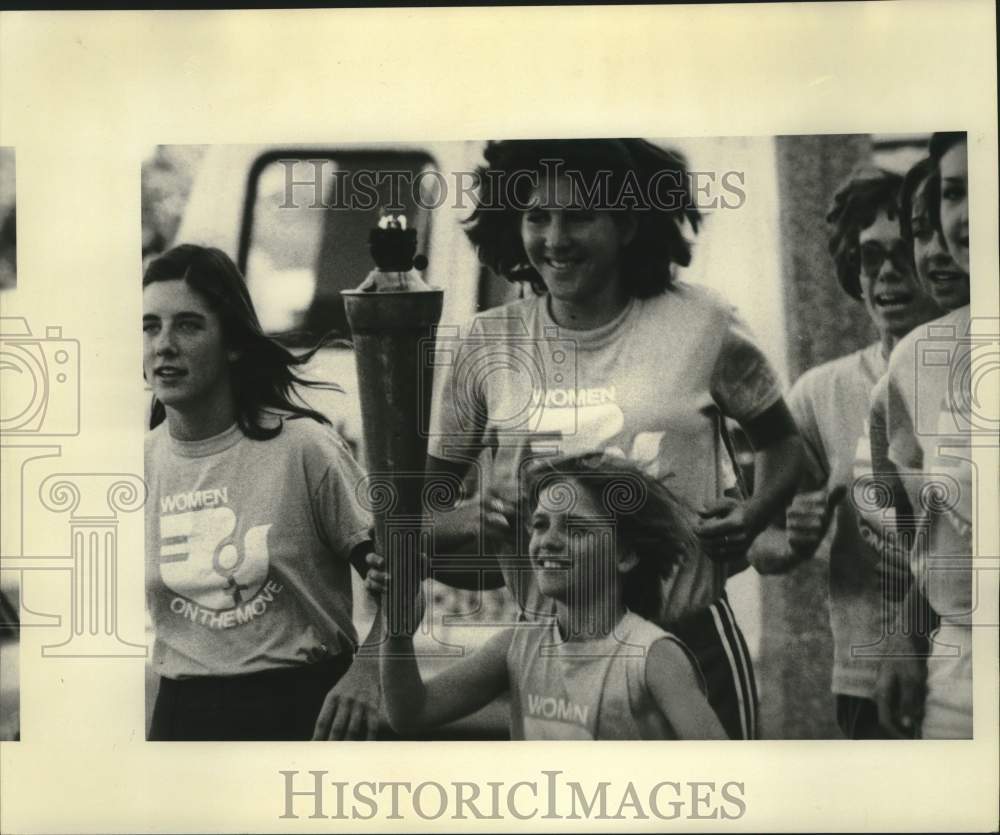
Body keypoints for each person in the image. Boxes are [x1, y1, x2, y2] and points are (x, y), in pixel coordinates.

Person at [426, 139, 804, 740]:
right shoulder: (486, 342)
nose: (555, 238)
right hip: (557, 652)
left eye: (579, 216)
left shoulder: (704, 322)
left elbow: (788, 448)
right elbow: (423, 509)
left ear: (627, 223)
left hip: (689, 639)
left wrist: (753, 514)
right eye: (537, 217)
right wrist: (465, 517)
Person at [143, 244, 381, 741]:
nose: (163, 345)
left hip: (303, 710)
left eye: (188, 325)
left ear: (232, 342)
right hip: (183, 715)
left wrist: (369, 671)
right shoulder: (138, 465)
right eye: (150, 326)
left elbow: (401, 577)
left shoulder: (303, 448)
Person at [757, 165, 940, 738]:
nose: (887, 273)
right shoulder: (819, 393)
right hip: (863, 681)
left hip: (968, 669)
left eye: (904, 252)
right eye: (869, 257)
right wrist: (793, 536)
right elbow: (759, 544)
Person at [374, 453, 727, 740]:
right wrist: (398, 627)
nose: (549, 541)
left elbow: (720, 774)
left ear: (625, 556)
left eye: (574, 528)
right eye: (540, 524)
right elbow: (410, 712)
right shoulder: (517, 647)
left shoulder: (653, 656)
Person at [869, 132, 973, 739]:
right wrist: (908, 631)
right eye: (955, 193)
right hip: (958, 681)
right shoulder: (916, 361)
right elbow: (922, 533)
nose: (966, 216)